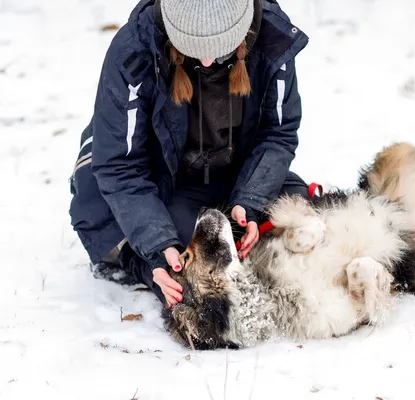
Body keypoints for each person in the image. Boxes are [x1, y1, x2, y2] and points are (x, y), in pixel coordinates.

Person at [68, 0, 310, 308]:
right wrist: (158, 246)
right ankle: (145, 266)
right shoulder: (135, 50)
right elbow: (119, 165)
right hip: (164, 185)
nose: (207, 61)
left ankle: (239, 232)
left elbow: (278, 133)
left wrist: (251, 200)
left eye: (220, 47)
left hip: (236, 173)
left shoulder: (272, 37)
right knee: (189, 272)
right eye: (192, 45)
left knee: (299, 209)